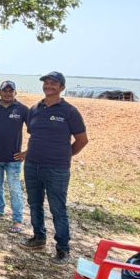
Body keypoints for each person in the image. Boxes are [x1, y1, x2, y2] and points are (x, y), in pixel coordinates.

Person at [23, 71, 89, 264]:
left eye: (53, 83)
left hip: (57, 169)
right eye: (46, 82)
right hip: (32, 165)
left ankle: (62, 249)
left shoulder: (69, 111)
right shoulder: (35, 109)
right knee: (34, 203)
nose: (49, 86)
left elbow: (82, 140)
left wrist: (65, 155)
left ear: (62, 87)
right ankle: (38, 237)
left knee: (57, 208)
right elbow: (33, 134)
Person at [0, 81, 29, 234]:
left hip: (13, 159)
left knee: (15, 189)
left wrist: (27, 152)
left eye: (11, 90)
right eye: (5, 91)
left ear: (15, 92)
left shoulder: (22, 109)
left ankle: (17, 220)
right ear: (0, 92)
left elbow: (35, 131)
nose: (8, 93)